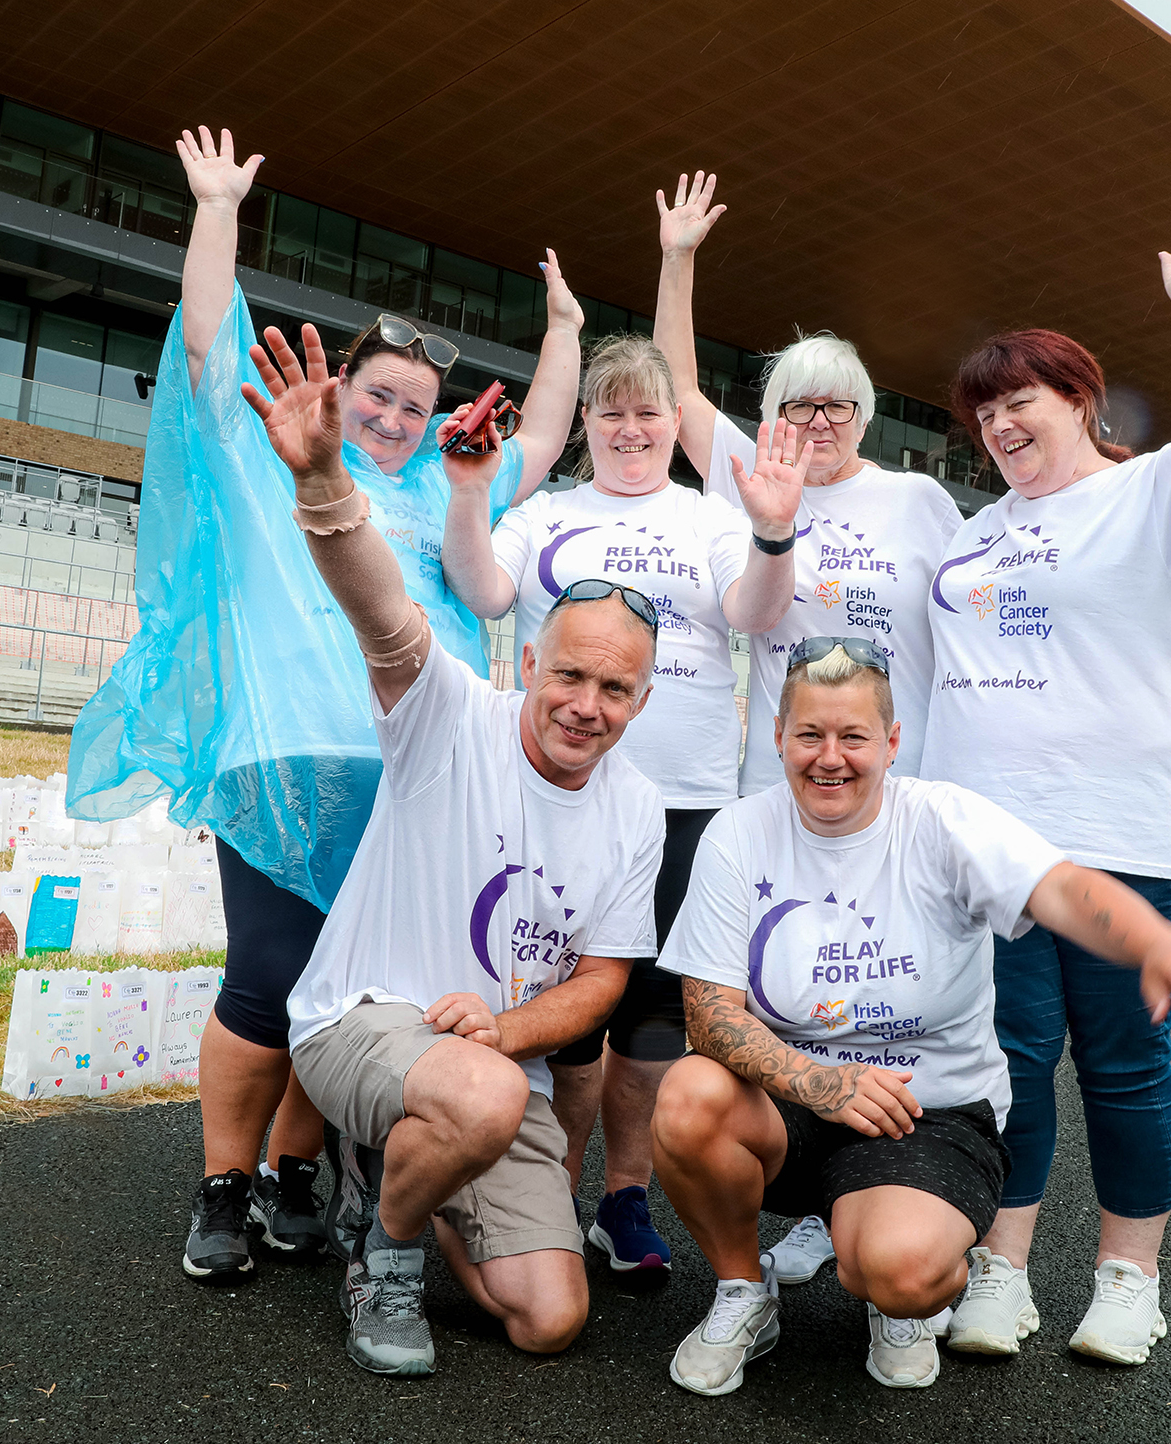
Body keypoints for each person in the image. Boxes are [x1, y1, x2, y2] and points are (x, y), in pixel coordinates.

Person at [67, 128, 585, 1284]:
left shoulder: (445, 487)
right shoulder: (268, 456)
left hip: (409, 779)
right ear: (340, 388)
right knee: (266, 977)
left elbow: (545, 436)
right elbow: (210, 341)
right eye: (380, 396)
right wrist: (215, 209)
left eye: (416, 407)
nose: (396, 420)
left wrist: (563, 330)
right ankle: (222, 1183)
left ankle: (294, 1171)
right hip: (282, 762)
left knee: (352, 992)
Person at [650, 641, 1171, 1395]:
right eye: (809, 735)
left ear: (892, 741)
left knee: (899, 1271)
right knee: (688, 1096)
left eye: (853, 736)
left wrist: (1156, 942)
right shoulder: (738, 832)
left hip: (924, 1113)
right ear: (777, 736)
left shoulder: (941, 818)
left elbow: (1060, 888)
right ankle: (742, 1290)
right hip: (792, 1101)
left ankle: (899, 1296)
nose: (829, 758)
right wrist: (821, 1083)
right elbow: (707, 1016)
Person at [244, 319, 665, 1375]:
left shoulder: (637, 806)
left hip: (492, 1061)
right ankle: (382, 1251)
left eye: (614, 688)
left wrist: (506, 1027)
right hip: (363, 1022)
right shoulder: (449, 713)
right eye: (569, 675)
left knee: (548, 1319)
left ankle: (412, 1173)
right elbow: (383, 611)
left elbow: (604, 980)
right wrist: (324, 483)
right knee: (480, 1094)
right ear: (529, 664)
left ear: (642, 700)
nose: (585, 705)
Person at [919, 227, 1171, 1366]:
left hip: (1124, 836)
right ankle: (1002, 1270)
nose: (998, 426)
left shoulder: (1153, 495)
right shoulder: (973, 535)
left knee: (1123, 1065)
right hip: (988, 846)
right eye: (983, 415)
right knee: (1008, 1064)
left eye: (1018, 401)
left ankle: (1129, 1282)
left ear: (1078, 398)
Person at [654, 171, 963, 1282]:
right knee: (784, 980)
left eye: (835, 406)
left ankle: (888, 1181)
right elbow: (678, 386)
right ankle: (804, 1192)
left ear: (865, 415)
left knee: (884, 983)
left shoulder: (918, 501)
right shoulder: (753, 477)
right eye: (796, 405)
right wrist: (677, 259)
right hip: (778, 785)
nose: (816, 423)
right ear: (772, 415)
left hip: (892, 790)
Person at [442, 333, 804, 1270]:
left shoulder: (707, 515)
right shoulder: (548, 512)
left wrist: (772, 532)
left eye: (648, 411)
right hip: (554, 791)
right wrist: (471, 496)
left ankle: (624, 1198)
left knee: (649, 1010)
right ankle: (548, 1194)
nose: (631, 429)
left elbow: (758, 611)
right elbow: (483, 591)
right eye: (612, 411)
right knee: (562, 998)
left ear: (673, 422)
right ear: (587, 423)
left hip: (684, 794)